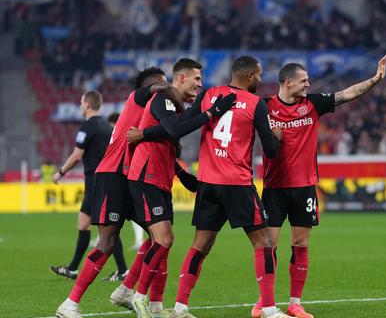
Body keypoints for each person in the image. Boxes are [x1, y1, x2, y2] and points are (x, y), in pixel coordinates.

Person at [252, 55, 386, 318]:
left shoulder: (313, 103)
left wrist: (374, 80)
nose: (308, 84)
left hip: (305, 187)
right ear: (287, 82)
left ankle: (295, 303)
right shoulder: (264, 106)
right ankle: (264, 301)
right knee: (268, 245)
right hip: (274, 187)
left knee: (301, 243)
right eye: (303, 81)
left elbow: (347, 94)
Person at [164, 56, 286, 318]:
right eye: (260, 75)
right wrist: (277, 136)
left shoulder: (209, 94)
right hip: (237, 183)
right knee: (264, 242)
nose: (262, 80)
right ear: (251, 76)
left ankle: (180, 308)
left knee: (200, 245)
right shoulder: (255, 104)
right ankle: (269, 309)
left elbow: (182, 127)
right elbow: (272, 151)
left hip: (208, 182)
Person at [54, 69, 176, 317]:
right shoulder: (137, 98)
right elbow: (158, 89)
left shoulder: (154, 112)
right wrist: (178, 90)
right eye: (163, 81)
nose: (166, 86)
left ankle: (126, 290)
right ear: (153, 84)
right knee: (107, 242)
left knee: (160, 237)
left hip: (132, 177)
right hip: (112, 176)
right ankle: (70, 304)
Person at [126, 58, 236, 318]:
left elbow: (168, 132)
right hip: (146, 175)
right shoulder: (163, 98)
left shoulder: (172, 107)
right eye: (196, 79)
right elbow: (175, 128)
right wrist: (210, 113)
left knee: (162, 241)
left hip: (161, 177)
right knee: (164, 239)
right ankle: (137, 298)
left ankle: (154, 305)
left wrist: (182, 174)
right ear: (181, 78)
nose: (200, 84)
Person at [49, 91, 129, 283]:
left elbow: (77, 155)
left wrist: (60, 172)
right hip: (101, 181)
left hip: (97, 183)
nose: (80, 105)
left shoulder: (88, 127)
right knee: (84, 223)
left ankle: (123, 270)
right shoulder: (106, 126)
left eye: (81, 102)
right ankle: (73, 269)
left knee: (106, 228)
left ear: (87, 105)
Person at [107, 112, 146, 250]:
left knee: (115, 216)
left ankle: (139, 241)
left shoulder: (125, 136)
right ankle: (139, 241)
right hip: (130, 179)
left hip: (128, 180)